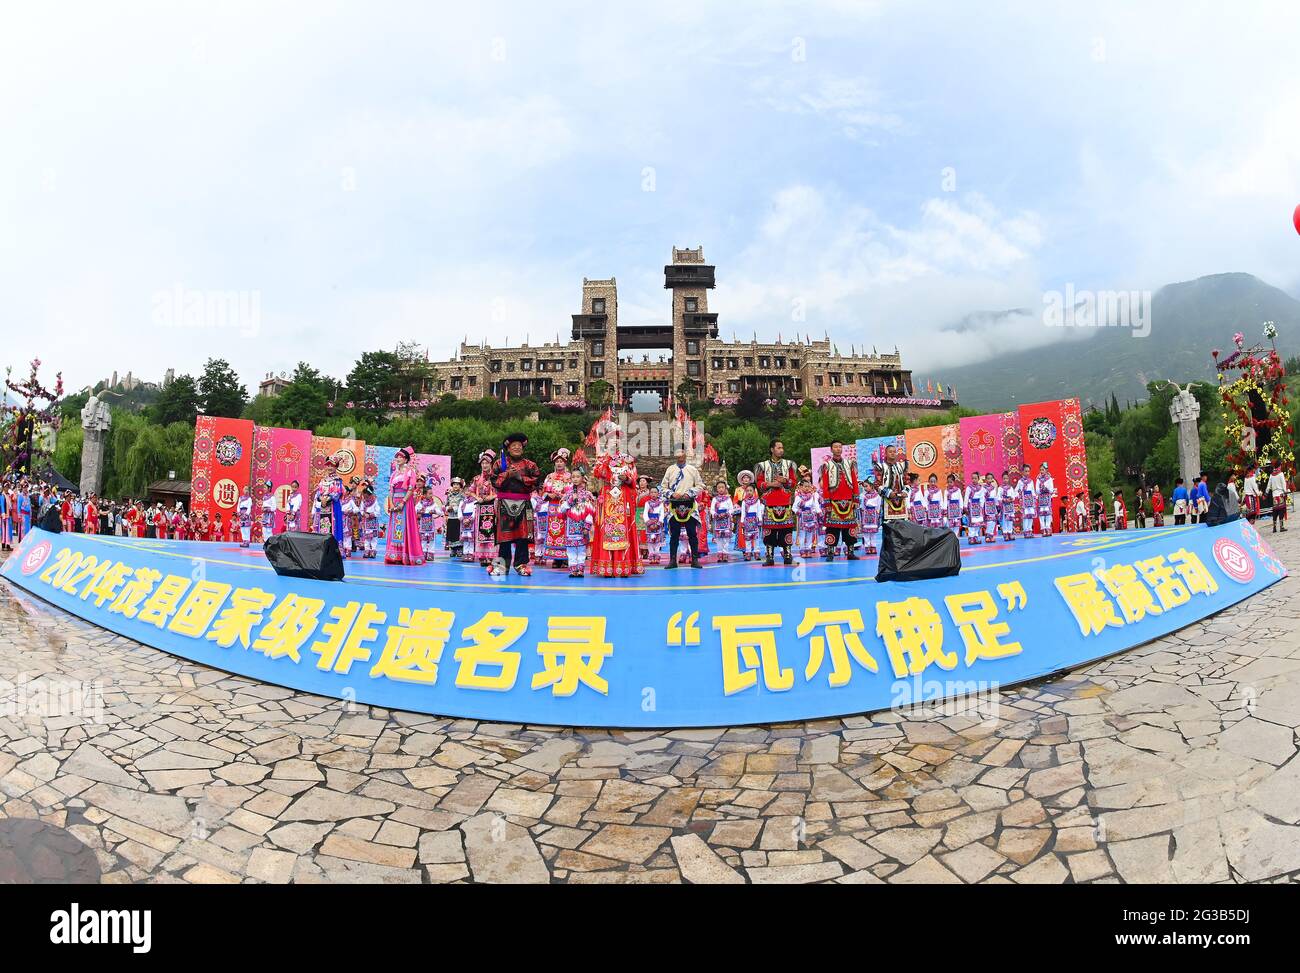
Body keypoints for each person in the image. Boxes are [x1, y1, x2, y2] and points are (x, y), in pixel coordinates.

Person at [590, 426, 643, 577]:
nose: (616, 442)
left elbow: (633, 476)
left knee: (623, 528)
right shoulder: (602, 458)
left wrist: (627, 478)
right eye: (613, 439)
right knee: (606, 529)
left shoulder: (628, 459)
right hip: (607, 496)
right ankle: (606, 565)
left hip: (623, 497)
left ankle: (625, 564)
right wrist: (608, 458)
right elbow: (598, 473)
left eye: (618, 439)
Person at [493, 432, 541, 576]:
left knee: (523, 536)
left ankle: (521, 564)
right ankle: (501, 566)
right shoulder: (499, 463)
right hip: (504, 503)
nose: (516, 448)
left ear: (523, 448)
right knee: (504, 537)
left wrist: (519, 477)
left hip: (523, 503)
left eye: (519, 446)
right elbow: (494, 481)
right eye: (513, 445)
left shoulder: (530, 465)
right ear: (508, 448)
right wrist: (507, 474)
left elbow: (536, 481)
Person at [755, 439, 799, 566]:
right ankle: (769, 557)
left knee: (786, 530)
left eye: (782, 448)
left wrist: (785, 481)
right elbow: (759, 483)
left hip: (785, 501)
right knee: (770, 531)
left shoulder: (789, 464)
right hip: (770, 502)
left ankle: (788, 556)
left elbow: (793, 483)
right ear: (772, 449)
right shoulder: (763, 466)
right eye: (779, 447)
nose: (781, 450)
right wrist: (770, 484)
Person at [660, 447, 705, 569]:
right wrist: (671, 494)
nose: (679, 455)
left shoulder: (692, 469)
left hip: (689, 505)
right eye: (677, 453)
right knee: (674, 534)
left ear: (685, 455)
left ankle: (694, 559)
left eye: (681, 453)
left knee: (692, 533)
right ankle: (673, 560)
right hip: (674, 505)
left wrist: (689, 493)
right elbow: (663, 487)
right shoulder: (670, 469)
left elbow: (700, 485)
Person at [384, 446, 425, 566]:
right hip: (395, 501)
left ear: (406, 460)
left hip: (405, 503)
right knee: (395, 528)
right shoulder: (394, 474)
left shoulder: (410, 472)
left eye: (401, 457)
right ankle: (395, 555)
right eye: (397, 457)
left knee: (404, 527)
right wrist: (391, 503)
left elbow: (411, 489)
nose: (398, 459)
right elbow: (391, 490)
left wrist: (403, 502)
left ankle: (405, 555)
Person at [818, 440, 859, 561]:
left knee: (850, 527)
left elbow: (855, 482)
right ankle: (830, 553)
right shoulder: (827, 465)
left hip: (849, 501)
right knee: (832, 528)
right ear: (831, 449)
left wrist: (856, 499)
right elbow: (825, 485)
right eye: (835, 447)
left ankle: (850, 552)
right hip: (833, 502)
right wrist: (827, 502)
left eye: (840, 447)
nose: (838, 449)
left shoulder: (849, 463)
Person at [538, 450, 573, 567]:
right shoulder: (549, 476)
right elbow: (543, 492)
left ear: (565, 463)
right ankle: (555, 559)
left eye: (561, 461)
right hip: (552, 507)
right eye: (557, 461)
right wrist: (549, 495)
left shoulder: (569, 477)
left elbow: (572, 493)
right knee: (553, 531)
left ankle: (565, 558)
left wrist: (563, 496)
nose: (559, 464)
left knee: (565, 532)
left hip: (565, 508)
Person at [467, 451, 498, 566]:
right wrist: (477, 497)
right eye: (483, 463)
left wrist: (491, 496)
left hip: (492, 507)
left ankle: (491, 556)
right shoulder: (476, 479)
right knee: (481, 532)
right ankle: (482, 556)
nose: (484, 465)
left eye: (487, 463)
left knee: (491, 532)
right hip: (480, 508)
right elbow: (470, 491)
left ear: (491, 464)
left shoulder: (495, 478)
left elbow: (500, 492)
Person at [560, 478, 595, 578]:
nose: (575, 479)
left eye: (578, 477)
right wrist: (570, 500)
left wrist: (587, 526)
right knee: (571, 550)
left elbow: (591, 511)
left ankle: (580, 570)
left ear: (583, 479)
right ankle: (572, 570)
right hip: (570, 527)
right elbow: (561, 509)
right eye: (573, 477)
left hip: (582, 526)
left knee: (581, 549)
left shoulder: (588, 495)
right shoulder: (567, 494)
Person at [793, 472, 821, 559]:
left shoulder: (813, 496)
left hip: (811, 518)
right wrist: (798, 512)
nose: (807, 488)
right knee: (802, 534)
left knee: (809, 534)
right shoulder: (799, 497)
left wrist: (818, 512)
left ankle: (808, 549)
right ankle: (802, 549)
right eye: (805, 486)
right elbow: (794, 507)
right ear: (800, 487)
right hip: (802, 518)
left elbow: (816, 505)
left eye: (808, 486)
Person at [709, 481, 736, 562]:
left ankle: (725, 553)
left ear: (725, 488)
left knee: (726, 538)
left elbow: (731, 509)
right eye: (719, 487)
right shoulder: (714, 499)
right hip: (717, 520)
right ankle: (720, 554)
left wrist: (726, 514)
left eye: (722, 487)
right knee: (718, 539)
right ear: (717, 489)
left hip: (726, 520)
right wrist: (716, 514)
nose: (721, 489)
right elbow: (712, 510)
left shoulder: (728, 499)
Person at [737, 483, 764, 561]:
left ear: (754, 491)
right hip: (747, 521)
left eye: (750, 490)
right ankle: (748, 553)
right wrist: (742, 522)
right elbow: (743, 513)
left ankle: (757, 553)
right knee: (747, 539)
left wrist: (760, 520)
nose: (749, 492)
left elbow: (759, 511)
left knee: (756, 538)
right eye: (747, 491)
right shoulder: (744, 502)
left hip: (755, 521)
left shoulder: (757, 501)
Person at [643, 488, 667, 564]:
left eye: (655, 492)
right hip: (649, 524)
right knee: (650, 541)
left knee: (658, 541)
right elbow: (645, 514)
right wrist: (648, 523)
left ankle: (657, 555)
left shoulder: (660, 503)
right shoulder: (647, 503)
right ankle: (651, 556)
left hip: (658, 524)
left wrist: (659, 523)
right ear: (649, 494)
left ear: (658, 494)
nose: (653, 494)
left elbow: (662, 514)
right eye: (652, 492)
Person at [860, 477, 883, 555]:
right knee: (866, 533)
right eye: (864, 486)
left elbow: (878, 506)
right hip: (866, 514)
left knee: (873, 533)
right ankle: (867, 546)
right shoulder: (863, 496)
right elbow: (862, 506)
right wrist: (863, 514)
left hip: (874, 514)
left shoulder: (877, 496)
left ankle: (873, 546)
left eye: (866, 486)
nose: (865, 488)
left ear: (872, 486)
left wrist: (877, 514)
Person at [445, 477, 465, 559]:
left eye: (457, 484)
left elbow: (464, 505)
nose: (455, 486)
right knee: (451, 533)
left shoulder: (462, 495)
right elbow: (445, 504)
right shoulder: (449, 495)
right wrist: (447, 508)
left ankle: (459, 549)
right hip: (451, 517)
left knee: (458, 533)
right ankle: (453, 549)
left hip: (458, 517)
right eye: (454, 484)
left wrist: (455, 508)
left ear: (460, 486)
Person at [1016, 464, 1037, 538]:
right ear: (1022, 472)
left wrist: (1034, 498)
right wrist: (1019, 495)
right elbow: (1016, 490)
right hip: (1024, 500)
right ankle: (1026, 531)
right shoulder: (1020, 481)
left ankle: (1030, 530)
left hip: (1030, 500)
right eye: (1026, 471)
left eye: (1028, 471)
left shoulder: (1031, 481)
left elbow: (1033, 491)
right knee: (1025, 516)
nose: (1027, 473)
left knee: (1030, 515)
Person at [361, 485, 382, 558]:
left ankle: (373, 550)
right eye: (364, 496)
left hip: (373, 521)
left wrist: (371, 515)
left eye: (366, 496)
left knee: (373, 537)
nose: (365, 498)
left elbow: (378, 512)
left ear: (370, 495)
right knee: (366, 537)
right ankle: (367, 550)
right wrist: (363, 513)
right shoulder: (363, 502)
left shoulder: (375, 501)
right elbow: (361, 510)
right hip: (366, 521)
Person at [1267, 463, 1289, 532]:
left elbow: (1268, 486)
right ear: (1279, 466)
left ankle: (1274, 528)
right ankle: (1281, 527)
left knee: (1275, 511)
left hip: (1274, 495)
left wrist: (1266, 493)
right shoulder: (1281, 474)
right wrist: (1285, 491)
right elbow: (1283, 484)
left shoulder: (1271, 475)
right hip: (1280, 494)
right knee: (1281, 510)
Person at [966, 473, 985, 545]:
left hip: (978, 507)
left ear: (978, 479)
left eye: (975, 478)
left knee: (977, 523)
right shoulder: (969, 488)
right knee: (971, 523)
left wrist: (981, 506)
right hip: (971, 507)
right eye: (972, 478)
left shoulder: (981, 488)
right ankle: (971, 537)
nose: (974, 480)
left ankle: (976, 537)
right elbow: (966, 497)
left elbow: (982, 498)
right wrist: (965, 507)